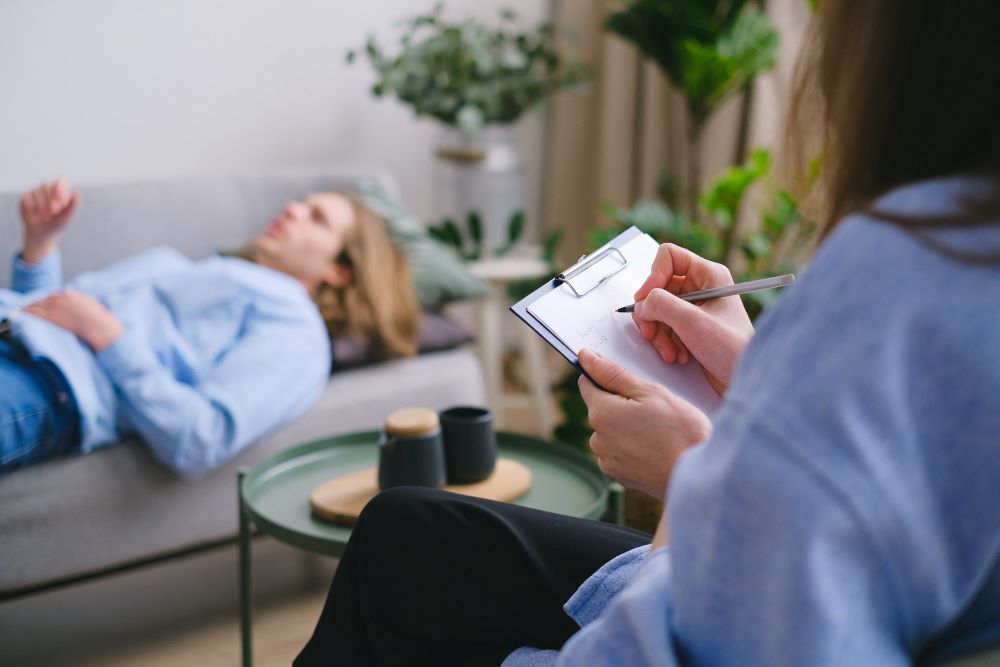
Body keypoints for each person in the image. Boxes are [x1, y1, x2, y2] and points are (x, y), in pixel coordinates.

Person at [295, 2, 1000, 665]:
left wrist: (690, 474)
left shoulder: (899, 277)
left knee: (399, 561)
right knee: (403, 528)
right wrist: (759, 377)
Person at [0, 178, 420, 475]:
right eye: (300, 203)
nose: (292, 209)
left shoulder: (295, 330)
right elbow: (45, 315)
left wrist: (108, 335)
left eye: (317, 218)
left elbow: (200, 438)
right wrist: (41, 245)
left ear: (339, 271)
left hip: (46, 385)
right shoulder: (214, 268)